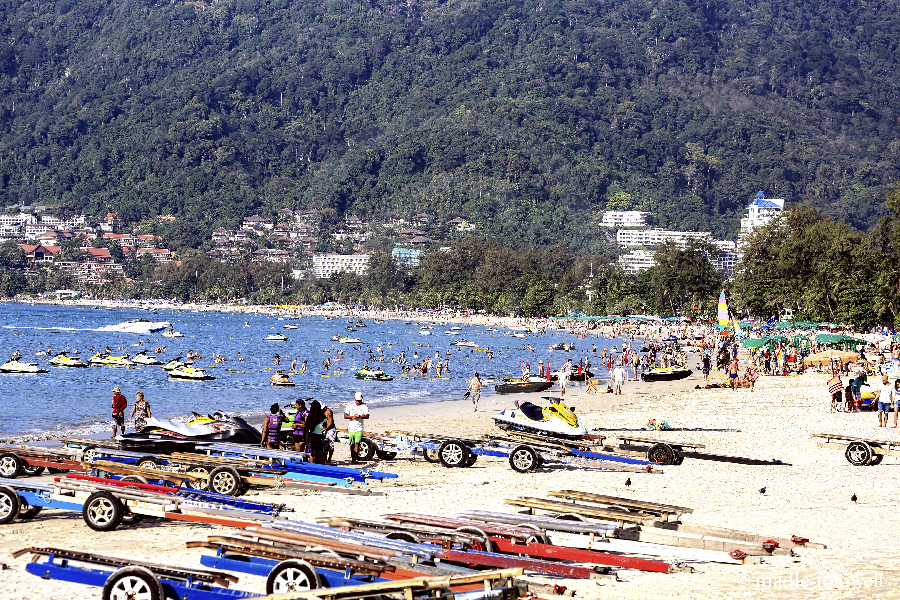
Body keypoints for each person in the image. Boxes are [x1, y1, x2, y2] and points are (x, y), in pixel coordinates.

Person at [344, 392, 369, 463]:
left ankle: (354, 460)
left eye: (360, 400)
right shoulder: (349, 405)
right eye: (357, 400)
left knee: (357, 443)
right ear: (354, 398)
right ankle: (353, 458)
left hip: (359, 427)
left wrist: (359, 416)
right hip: (351, 427)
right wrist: (352, 417)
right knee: (352, 443)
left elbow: (367, 416)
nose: (359, 402)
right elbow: (345, 415)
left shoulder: (364, 405)